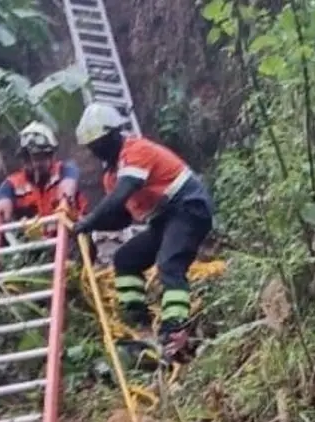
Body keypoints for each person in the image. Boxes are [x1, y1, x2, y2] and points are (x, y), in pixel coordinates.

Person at [72, 103, 215, 363]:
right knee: (126, 259)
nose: (97, 151)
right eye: (93, 147)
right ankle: (139, 321)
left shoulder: (136, 151)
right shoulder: (112, 177)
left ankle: (175, 330)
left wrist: (90, 220)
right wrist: (88, 225)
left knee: (170, 265)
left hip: (188, 207)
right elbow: (123, 216)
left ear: (114, 135)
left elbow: (122, 194)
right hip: (163, 219)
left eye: (100, 143)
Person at [0, 121, 87, 241]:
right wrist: (0, 213)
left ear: (51, 156)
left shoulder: (66, 170)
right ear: (23, 160)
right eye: (29, 159)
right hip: (34, 247)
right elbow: (4, 205)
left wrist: (65, 199)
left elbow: (68, 187)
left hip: (73, 239)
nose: (35, 165)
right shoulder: (11, 185)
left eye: (40, 158)